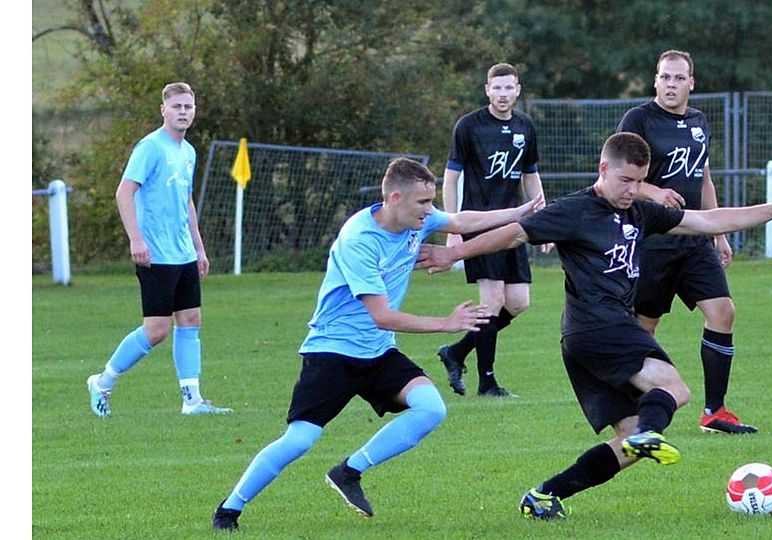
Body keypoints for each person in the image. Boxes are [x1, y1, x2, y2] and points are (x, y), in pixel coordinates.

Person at [417, 132, 772, 519]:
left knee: (628, 439)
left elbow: (706, 221)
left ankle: (544, 495)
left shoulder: (640, 212)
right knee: (674, 389)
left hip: (584, 338)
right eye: (626, 180)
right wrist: (454, 254)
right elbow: (512, 234)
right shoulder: (574, 210)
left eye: (640, 181)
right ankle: (651, 431)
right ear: (603, 169)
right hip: (600, 325)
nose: (633, 189)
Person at [211, 158, 544, 530]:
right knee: (300, 439)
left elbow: (462, 221)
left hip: (378, 351)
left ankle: (349, 471)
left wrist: (520, 212)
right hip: (333, 352)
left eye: (431, 202)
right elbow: (382, 315)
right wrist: (445, 324)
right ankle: (228, 510)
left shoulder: (417, 219)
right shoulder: (360, 240)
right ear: (395, 198)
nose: (429, 210)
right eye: (423, 202)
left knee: (430, 408)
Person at [617, 49, 755, 434]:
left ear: (691, 83)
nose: (671, 84)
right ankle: (634, 413)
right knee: (644, 328)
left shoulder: (698, 122)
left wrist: (718, 234)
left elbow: (704, 179)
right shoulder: (639, 119)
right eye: (665, 77)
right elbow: (616, 174)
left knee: (723, 312)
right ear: (655, 81)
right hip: (652, 242)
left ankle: (715, 412)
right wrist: (654, 192)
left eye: (679, 78)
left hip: (694, 240)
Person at [85, 82, 231, 417]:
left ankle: (192, 401)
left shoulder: (188, 151)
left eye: (188, 107)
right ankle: (103, 382)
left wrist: (199, 248)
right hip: (156, 253)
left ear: (194, 111)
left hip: (183, 253)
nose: (183, 112)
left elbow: (186, 201)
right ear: (163, 109)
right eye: (177, 106)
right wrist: (136, 239)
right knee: (156, 331)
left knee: (191, 319)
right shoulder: (150, 147)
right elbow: (124, 192)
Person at [436, 62, 550, 398]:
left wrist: (543, 220)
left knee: (518, 302)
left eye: (508, 87)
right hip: (478, 225)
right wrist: (452, 225)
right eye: (496, 88)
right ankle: (487, 383)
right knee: (493, 300)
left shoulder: (525, 126)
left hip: (513, 226)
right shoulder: (469, 126)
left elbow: (530, 176)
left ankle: (456, 351)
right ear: (487, 90)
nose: (502, 94)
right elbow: (451, 178)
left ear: (518, 90)